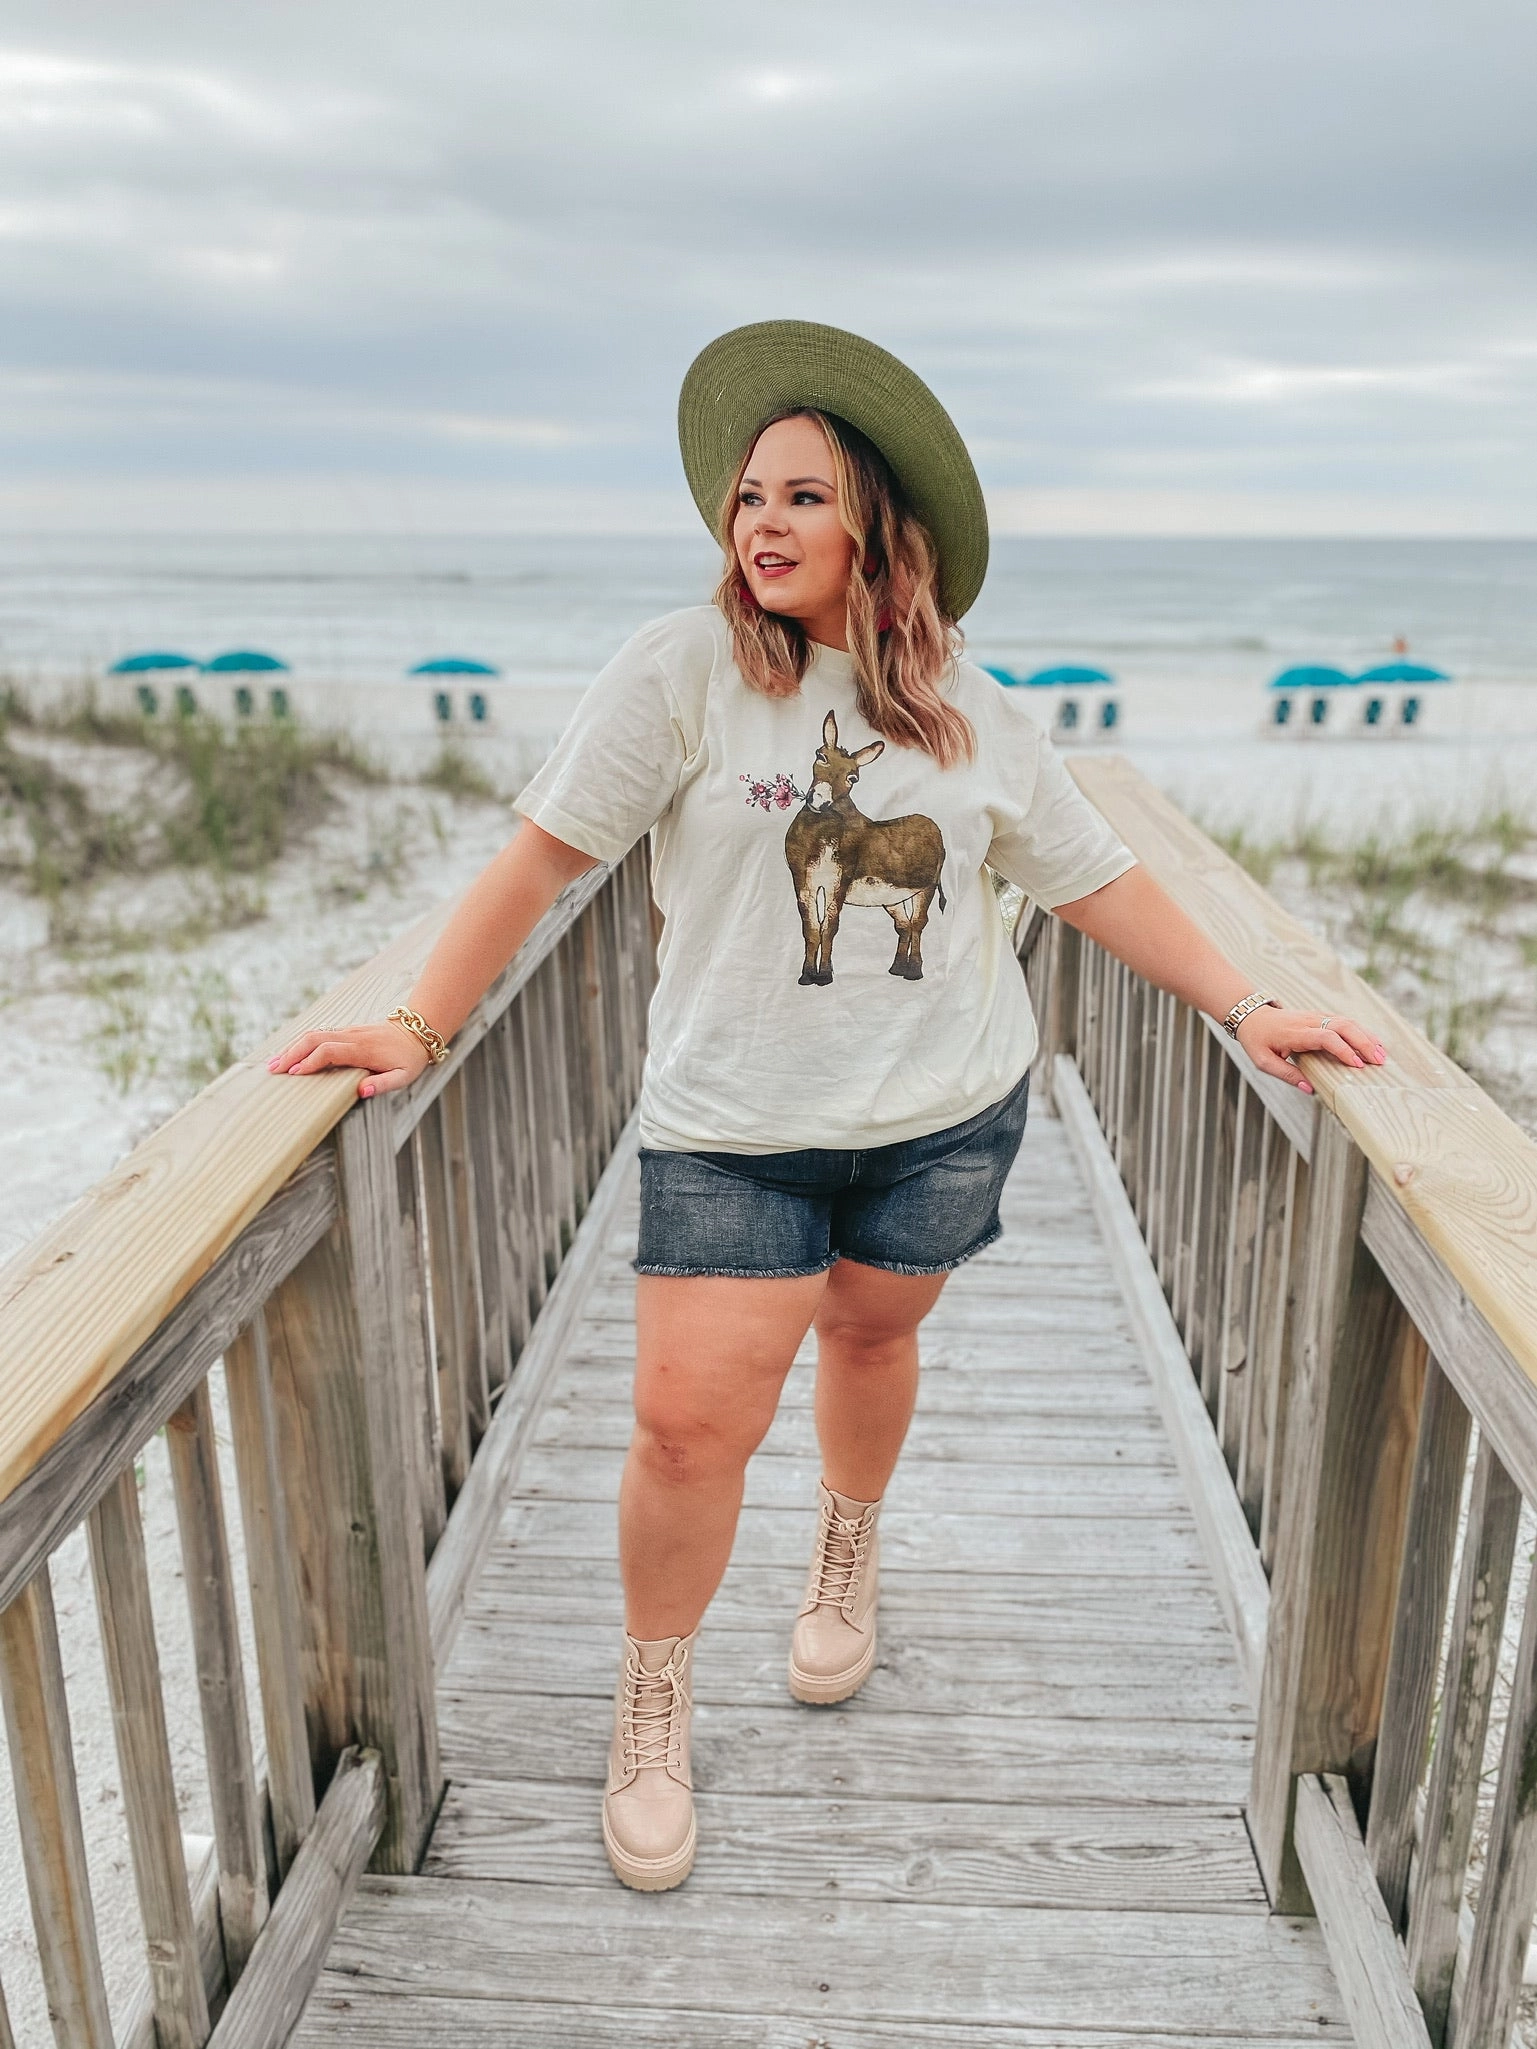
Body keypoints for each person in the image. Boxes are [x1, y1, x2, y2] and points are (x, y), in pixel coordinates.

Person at [269, 320, 1387, 1892]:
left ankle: (846, 1553)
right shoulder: (683, 674)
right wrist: (412, 1023)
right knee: (684, 1428)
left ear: (875, 523)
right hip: (735, 1126)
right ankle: (655, 1697)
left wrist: (1246, 1002)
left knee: (874, 1337)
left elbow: (1095, 876)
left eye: (802, 495)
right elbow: (541, 859)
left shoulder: (966, 708)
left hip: (944, 1114)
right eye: (746, 499)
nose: (763, 524)